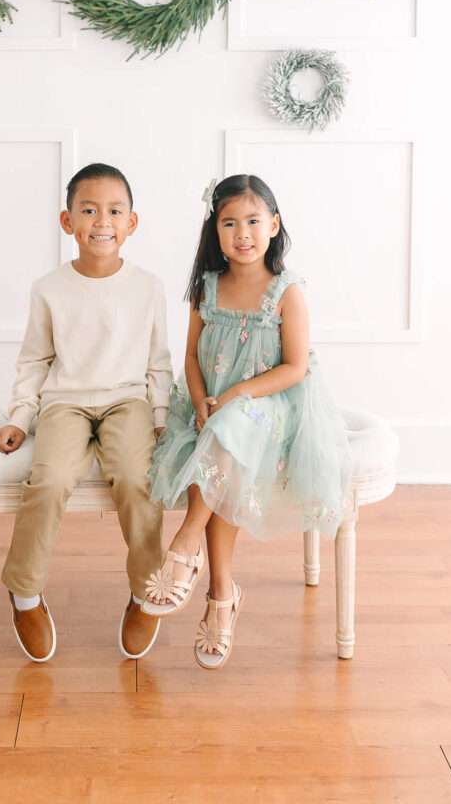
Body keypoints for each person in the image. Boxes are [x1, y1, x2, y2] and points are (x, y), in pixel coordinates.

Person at [143, 174, 352, 669]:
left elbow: (294, 367)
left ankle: (185, 547)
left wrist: (236, 393)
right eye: (229, 222)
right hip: (211, 406)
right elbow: (192, 356)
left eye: (254, 221)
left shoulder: (287, 291)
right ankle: (221, 595)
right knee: (219, 441)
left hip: (271, 406)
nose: (243, 233)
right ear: (214, 231)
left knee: (231, 431)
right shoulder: (207, 287)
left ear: (274, 225)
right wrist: (199, 399)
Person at [0, 163, 173, 663]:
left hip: (128, 400)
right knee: (48, 481)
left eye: (115, 211)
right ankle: (25, 594)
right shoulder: (48, 288)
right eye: (88, 210)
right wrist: (18, 416)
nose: (102, 221)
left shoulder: (149, 287)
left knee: (139, 480)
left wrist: (160, 416)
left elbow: (158, 362)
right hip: (65, 402)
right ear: (66, 220)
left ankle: (146, 591)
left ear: (132, 223)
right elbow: (35, 361)